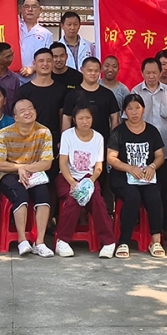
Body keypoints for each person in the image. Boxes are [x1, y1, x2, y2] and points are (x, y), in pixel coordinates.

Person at [107, 94, 167, 258]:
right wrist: (129, 168)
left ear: (143, 110)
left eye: (137, 108)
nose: (134, 112)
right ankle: (124, 242)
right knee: (132, 197)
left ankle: (155, 241)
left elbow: (160, 156)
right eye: (130, 108)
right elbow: (111, 158)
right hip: (123, 176)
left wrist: (152, 166)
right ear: (125, 112)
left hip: (146, 176)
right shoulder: (118, 132)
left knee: (154, 196)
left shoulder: (152, 131)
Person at [0, 98, 55, 257]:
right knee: (20, 193)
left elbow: (47, 163)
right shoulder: (4, 133)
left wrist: (25, 168)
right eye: (22, 111)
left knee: (43, 194)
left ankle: (39, 242)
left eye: (30, 108)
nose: (28, 112)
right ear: (15, 117)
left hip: (34, 173)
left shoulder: (44, 132)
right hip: (9, 174)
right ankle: (22, 240)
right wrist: (18, 169)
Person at [55, 104, 116, 259]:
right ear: (74, 120)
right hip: (67, 177)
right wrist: (72, 182)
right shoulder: (67, 135)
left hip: (89, 178)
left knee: (97, 200)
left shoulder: (98, 138)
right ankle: (62, 241)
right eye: (81, 118)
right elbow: (62, 163)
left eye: (88, 118)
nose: (85, 121)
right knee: (74, 197)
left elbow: (98, 166)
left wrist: (90, 181)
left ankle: (108, 242)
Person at [131, 57, 167, 231]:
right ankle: (141, 223)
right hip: (141, 151)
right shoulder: (135, 92)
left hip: (164, 150)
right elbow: (129, 121)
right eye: (148, 73)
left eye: (154, 73)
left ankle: (164, 224)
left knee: (164, 188)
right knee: (142, 188)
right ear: (142, 73)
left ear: (160, 73)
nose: (151, 76)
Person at [16, 47, 70, 158]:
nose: (45, 64)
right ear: (34, 64)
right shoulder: (24, 91)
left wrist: (63, 141)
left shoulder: (61, 90)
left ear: (53, 63)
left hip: (53, 141)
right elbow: (18, 119)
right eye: (41, 61)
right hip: (29, 142)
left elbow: (63, 118)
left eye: (48, 61)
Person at [62, 57, 120, 141]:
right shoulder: (72, 94)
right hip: (77, 142)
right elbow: (67, 119)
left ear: (100, 71)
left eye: (96, 71)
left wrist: (114, 142)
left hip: (102, 142)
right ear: (82, 70)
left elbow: (114, 118)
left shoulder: (108, 94)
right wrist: (65, 140)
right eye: (89, 70)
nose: (93, 73)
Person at [18, 0, 54, 78]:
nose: (30, 9)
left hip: (36, 77)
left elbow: (48, 58)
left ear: (40, 10)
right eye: (26, 6)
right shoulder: (14, 28)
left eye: (34, 7)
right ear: (21, 9)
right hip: (14, 76)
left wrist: (33, 68)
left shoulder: (46, 34)